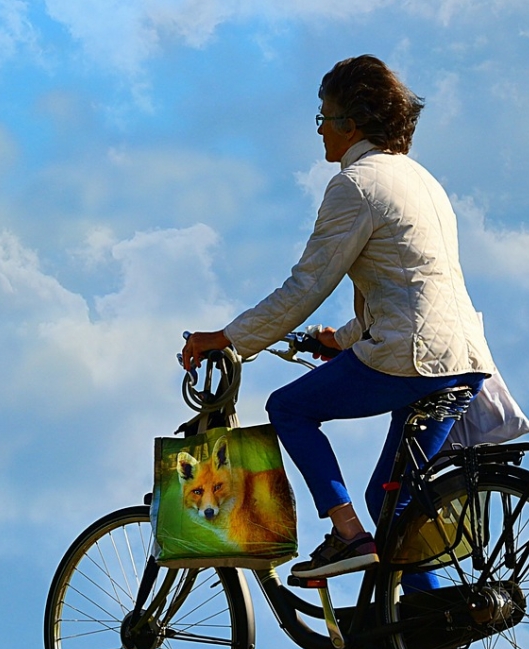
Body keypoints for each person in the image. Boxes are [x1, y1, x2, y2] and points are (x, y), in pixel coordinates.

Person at [181, 55, 494, 581]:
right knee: (393, 501)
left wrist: (229, 338)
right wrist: (343, 338)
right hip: (463, 357)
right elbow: (408, 283)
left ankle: (347, 535)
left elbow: (306, 285)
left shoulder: (356, 185)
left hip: (410, 357)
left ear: (352, 123)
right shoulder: (420, 180)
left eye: (324, 116)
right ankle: (437, 643)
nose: (320, 128)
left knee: (289, 408)